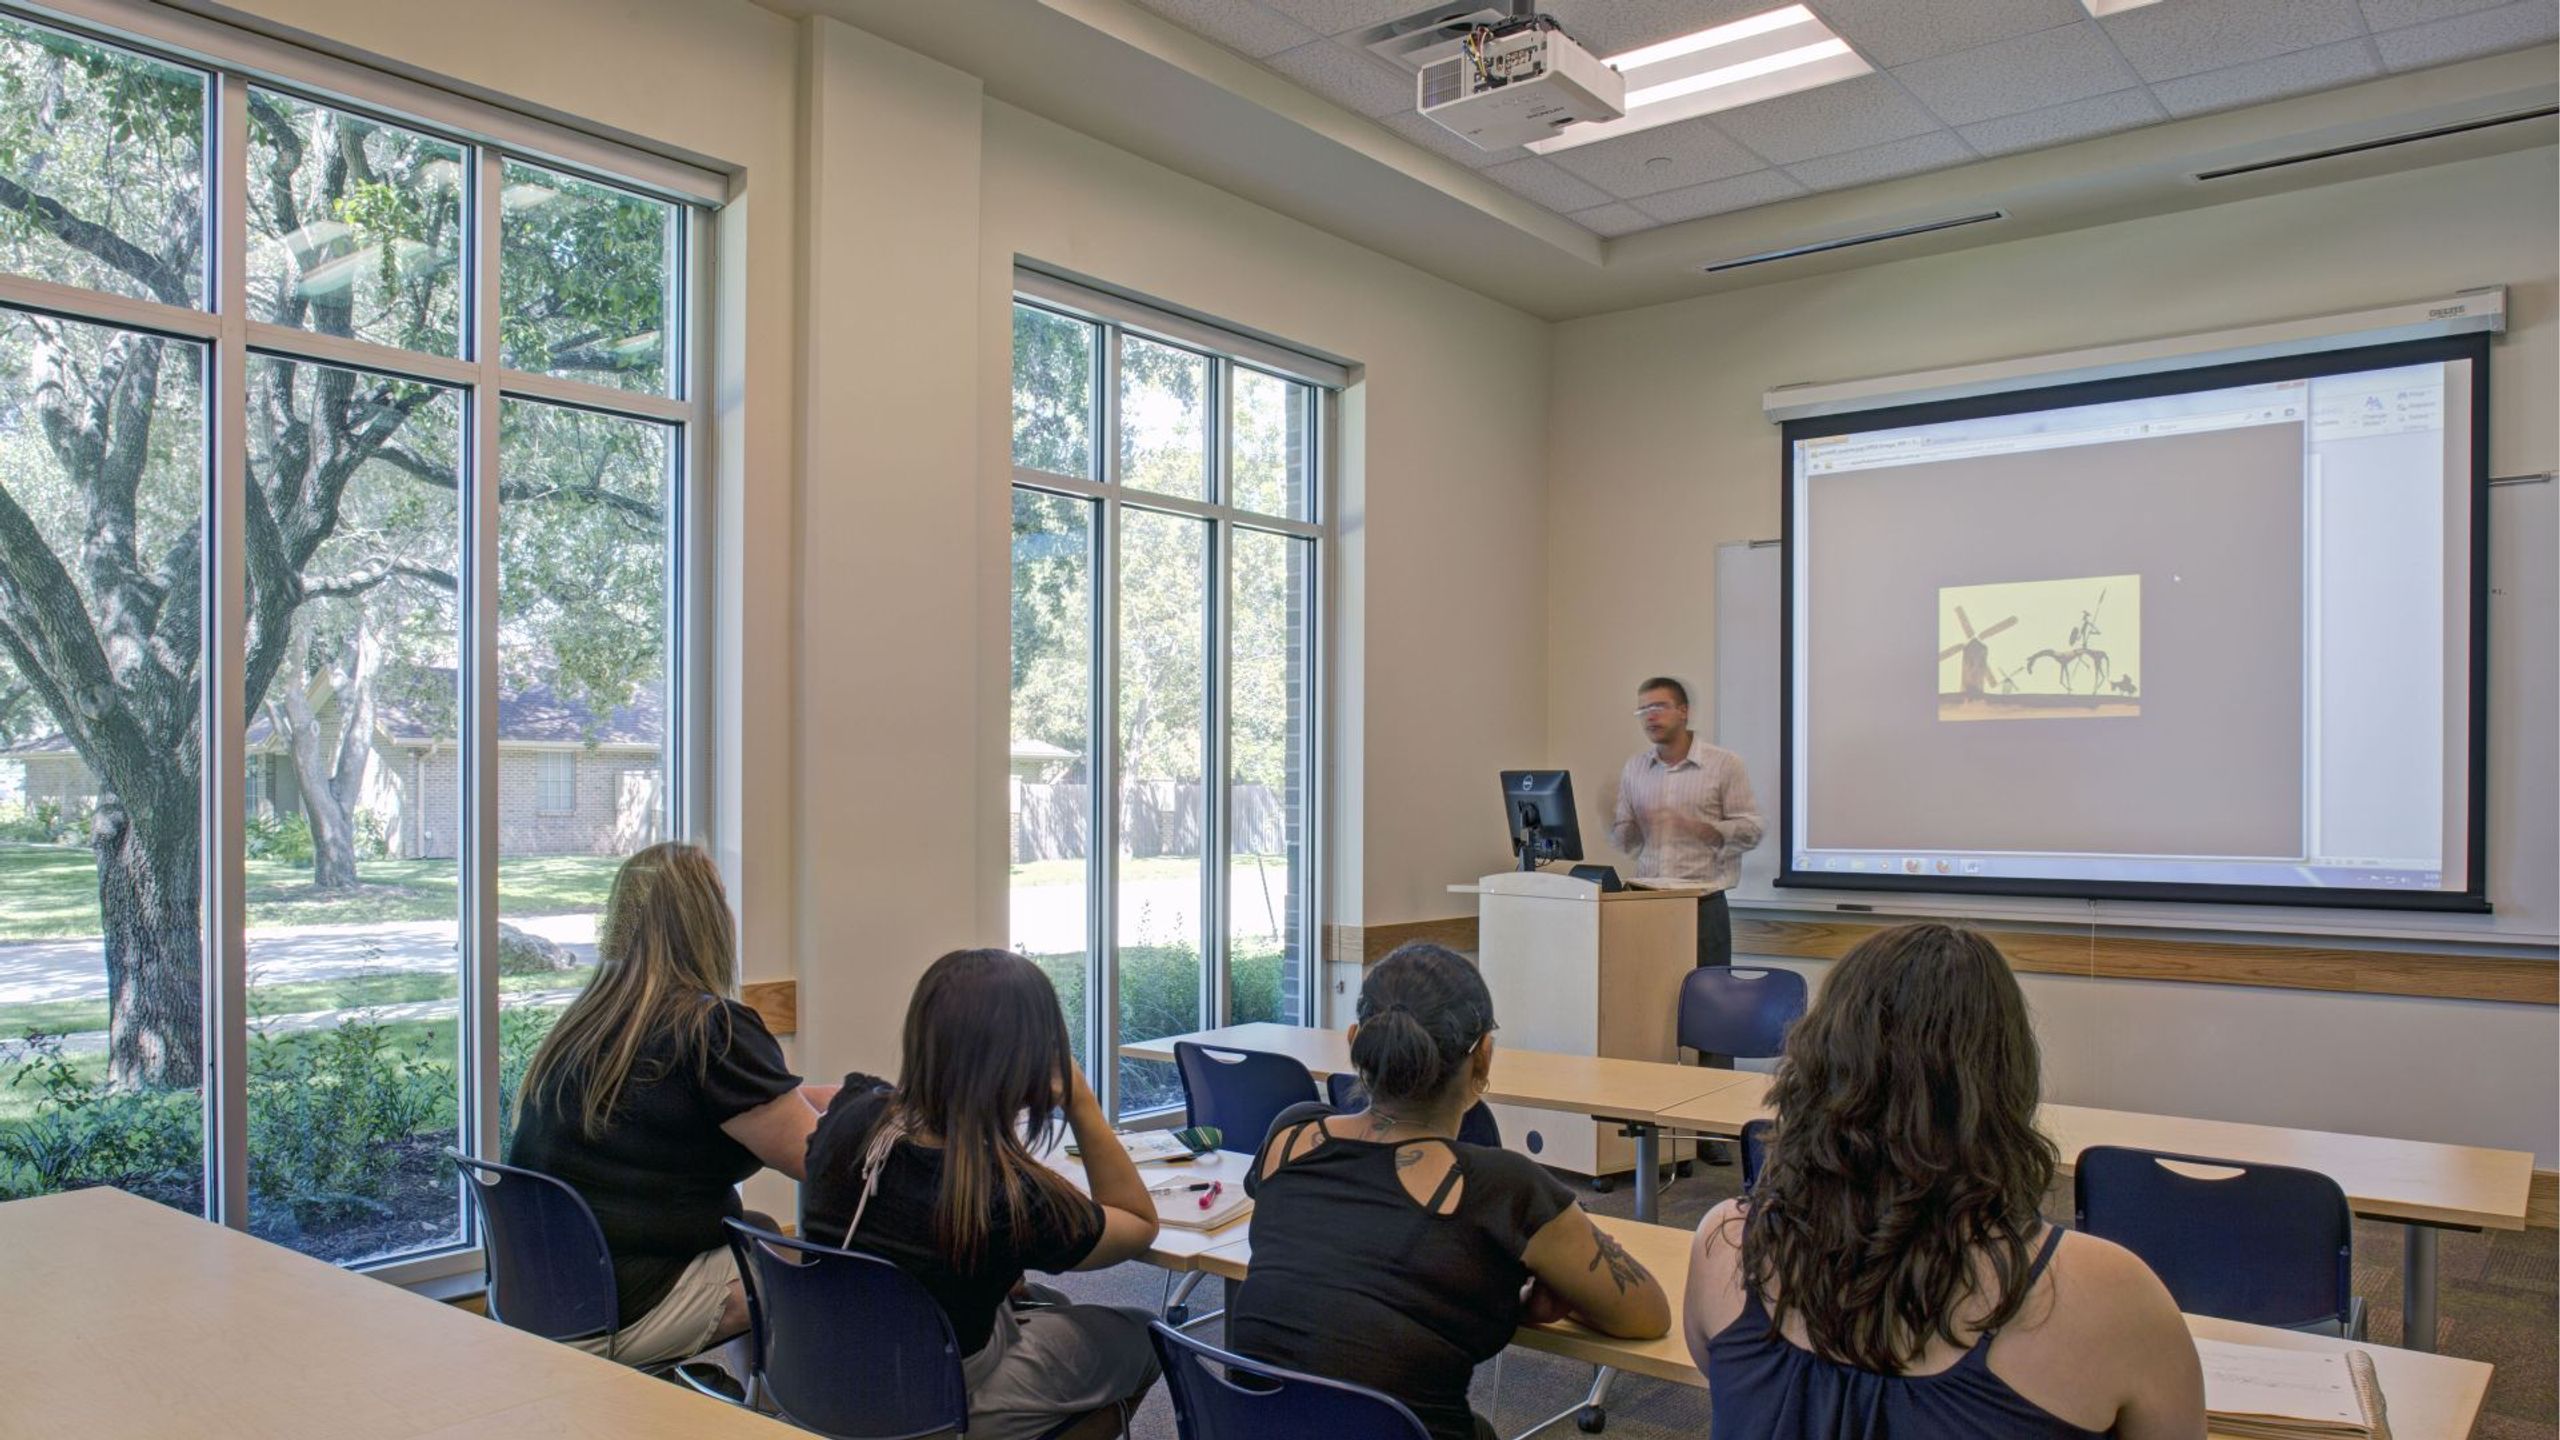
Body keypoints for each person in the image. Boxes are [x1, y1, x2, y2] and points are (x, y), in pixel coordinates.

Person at [1684, 923, 2206, 1439]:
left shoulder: (1726, 1242)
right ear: (2007, 1075)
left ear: (1819, 1060)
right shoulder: (2110, 1294)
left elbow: (1733, 1385)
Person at [1227, 943, 1671, 1440]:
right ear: (1484, 1057)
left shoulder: (1290, 1138)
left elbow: (1330, 1261)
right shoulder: (1504, 1188)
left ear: (1355, 1043)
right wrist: (1517, 1290)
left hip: (1254, 1426)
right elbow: (1647, 1315)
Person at [803, 950, 1160, 1440]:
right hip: (935, 1399)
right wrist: (1082, 1103)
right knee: (1143, 1334)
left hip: (823, 1376)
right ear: (1032, 1059)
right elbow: (1138, 1223)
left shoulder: (849, 1116)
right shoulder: (1010, 1197)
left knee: (1043, 1300)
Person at [508, 841, 822, 1368]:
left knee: (765, 1230)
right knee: (823, 1263)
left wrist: (831, 1096)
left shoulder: (591, 1023)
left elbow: (718, 1106)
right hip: (625, 1307)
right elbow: (819, 1160)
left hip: (545, 1300)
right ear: (707, 921)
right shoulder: (710, 1028)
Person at [1610, 675, 1762, 974]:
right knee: (1644, 997)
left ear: (1683, 711)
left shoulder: (1724, 764)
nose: (1650, 716)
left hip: (1701, 907)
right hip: (1645, 902)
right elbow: (1625, 841)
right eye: (1643, 710)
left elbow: (1751, 830)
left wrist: (1703, 829)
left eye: (1659, 706)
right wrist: (1620, 826)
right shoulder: (1635, 768)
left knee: (1705, 1001)